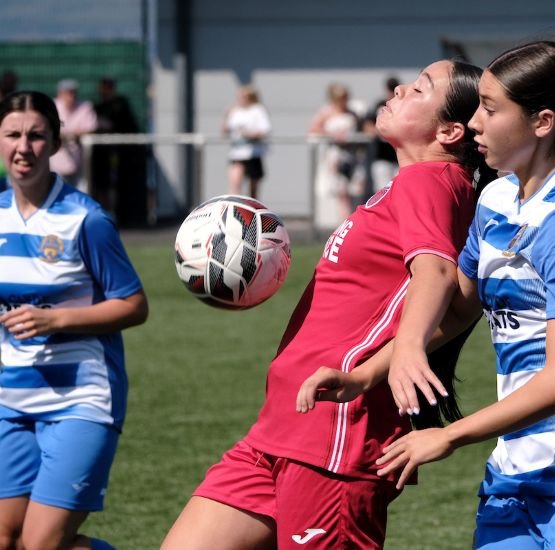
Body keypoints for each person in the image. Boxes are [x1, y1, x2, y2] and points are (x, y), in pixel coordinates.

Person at [302, 41, 555, 549]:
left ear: (542, 122)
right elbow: (457, 311)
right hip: (513, 480)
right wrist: (365, 373)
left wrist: (449, 435)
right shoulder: (496, 199)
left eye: (491, 109)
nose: (474, 122)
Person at [161, 59, 495, 549]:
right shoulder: (410, 186)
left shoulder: (429, 181)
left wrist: (405, 350)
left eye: (420, 88)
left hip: (336, 433)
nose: (401, 87)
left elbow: (438, 273)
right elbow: (462, 304)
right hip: (284, 425)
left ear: (449, 131)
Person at [0, 91, 149, 550]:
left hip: (81, 399)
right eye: (12, 135)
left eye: (37, 136)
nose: (24, 147)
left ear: (56, 141)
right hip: (11, 400)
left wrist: (56, 320)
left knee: (41, 544)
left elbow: (134, 305)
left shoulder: (86, 219)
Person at [308, 82, 364, 228]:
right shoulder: (326, 112)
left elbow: (361, 132)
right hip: (335, 157)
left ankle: (349, 224)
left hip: (351, 156)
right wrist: (332, 135)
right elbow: (313, 130)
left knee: (353, 192)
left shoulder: (352, 113)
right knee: (342, 193)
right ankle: (347, 225)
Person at [92, 76, 145, 223]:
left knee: (116, 186)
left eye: (108, 88)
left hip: (120, 155)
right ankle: (105, 213)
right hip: (102, 156)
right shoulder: (97, 107)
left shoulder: (121, 105)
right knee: (103, 185)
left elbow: (128, 127)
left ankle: (118, 214)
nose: (105, 91)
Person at [222, 85, 272, 199]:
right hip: (237, 153)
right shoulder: (234, 111)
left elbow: (265, 130)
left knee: (253, 186)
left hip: (253, 153)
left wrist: (249, 134)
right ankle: (235, 208)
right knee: (235, 182)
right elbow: (225, 130)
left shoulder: (258, 110)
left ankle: (252, 209)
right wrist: (226, 116)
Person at [50, 79, 98, 191]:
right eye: (67, 92)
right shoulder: (53, 106)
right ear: (60, 93)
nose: (70, 96)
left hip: (79, 163)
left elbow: (90, 128)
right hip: (55, 165)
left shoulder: (85, 106)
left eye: (72, 92)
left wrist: (70, 135)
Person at [363, 76, 401, 194]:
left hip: (398, 156)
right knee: (382, 190)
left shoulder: (401, 104)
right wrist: (382, 130)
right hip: (381, 156)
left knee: (398, 189)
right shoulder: (380, 104)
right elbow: (368, 126)